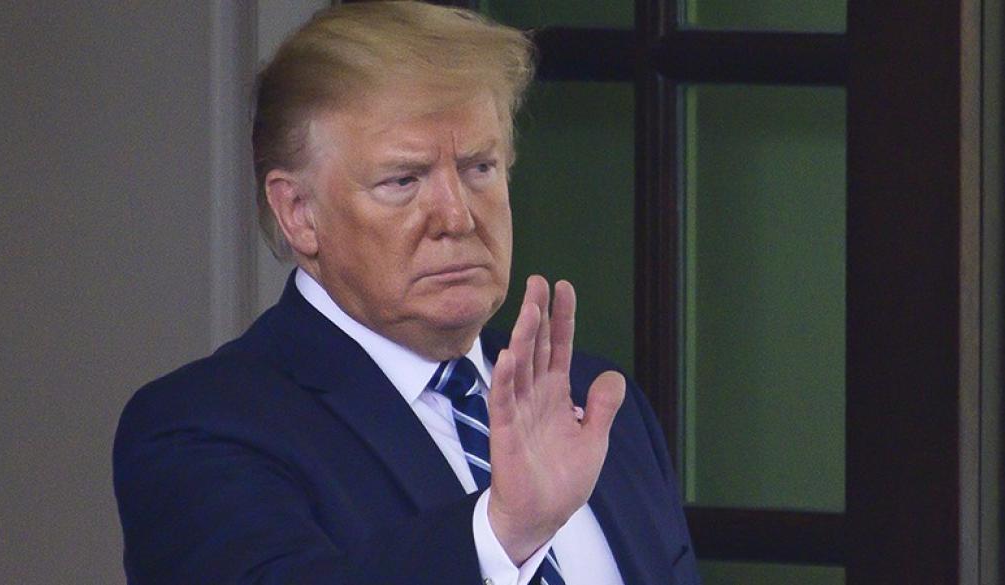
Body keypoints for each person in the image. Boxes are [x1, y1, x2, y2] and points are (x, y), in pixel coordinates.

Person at [113, 2, 700, 584]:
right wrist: (500, 534)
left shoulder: (596, 406)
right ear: (298, 213)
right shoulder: (200, 427)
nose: (457, 217)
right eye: (404, 180)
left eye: (478, 168)